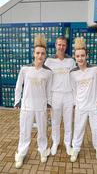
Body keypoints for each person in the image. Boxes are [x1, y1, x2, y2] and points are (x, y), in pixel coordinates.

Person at [14, 34, 52, 168]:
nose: (40, 56)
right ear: (33, 54)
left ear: (45, 55)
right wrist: (17, 101)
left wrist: (49, 103)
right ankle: (21, 154)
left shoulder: (48, 72)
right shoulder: (25, 69)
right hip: (26, 106)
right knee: (24, 132)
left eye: (42, 53)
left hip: (41, 107)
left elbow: (49, 89)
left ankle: (43, 151)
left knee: (42, 131)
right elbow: (19, 86)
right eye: (37, 53)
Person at [70, 37, 97, 162]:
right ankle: (75, 149)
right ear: (75, 57)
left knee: (96, 129)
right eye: (78, 56)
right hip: (80, 106)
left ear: (87, 56)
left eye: (82, 55)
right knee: (78, 129)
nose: (80, 58)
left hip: (94, 106)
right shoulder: (73, 73)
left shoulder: (95, 69)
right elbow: (74, 90)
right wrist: (75, 104)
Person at [44, 37, 76, 155]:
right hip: (55, 95)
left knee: (68, 121)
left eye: (63, 45)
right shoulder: (49, 61)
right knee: (55, 121)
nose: (61, 47)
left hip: (68, 95)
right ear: (55, 45)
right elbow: (46, 80)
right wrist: (47, 99)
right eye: (59, 45)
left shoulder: (71, 61)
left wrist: (75, 98)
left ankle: (68, 143)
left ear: (66, 46)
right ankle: (55, 143)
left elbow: (74, 80)